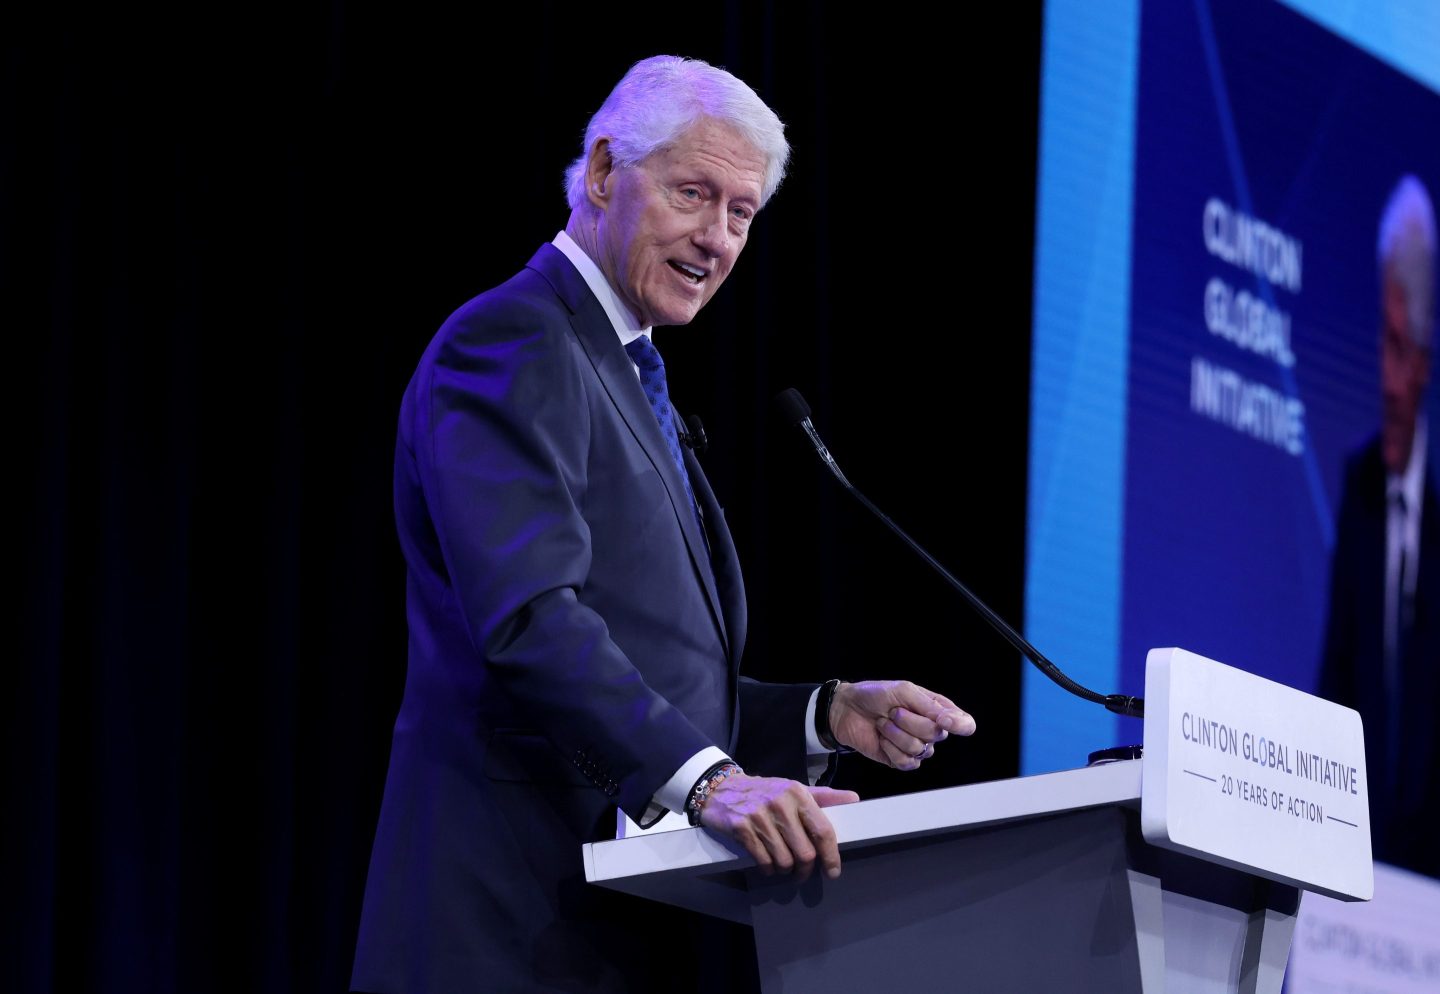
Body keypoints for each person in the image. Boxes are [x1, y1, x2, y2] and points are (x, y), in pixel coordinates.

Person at [350, 56, 976, 994]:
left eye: (742, 214)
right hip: (500, 926)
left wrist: (820, 713)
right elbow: (529, 622)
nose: (717, 238)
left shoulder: (626, 367)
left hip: (610, 933)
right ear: (604, 172)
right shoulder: (514, 340)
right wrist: (714, 784)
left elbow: (660, 669)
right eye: (694, 194)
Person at [1319, 174, 1439, 878]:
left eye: (1404, 352)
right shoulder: (1359, 483)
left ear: (1426, 363)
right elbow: (1335, 683)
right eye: (1383, 345)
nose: (1388, 382)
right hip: (1362, 870)